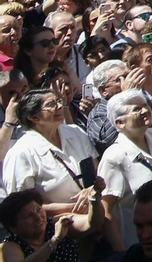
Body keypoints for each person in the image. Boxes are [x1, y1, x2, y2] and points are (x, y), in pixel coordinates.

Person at [98, 89, 152, 251]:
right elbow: (106, 211)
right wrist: (121, 251)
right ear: (119, 122)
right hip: (139, 245)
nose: (144, 111)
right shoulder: (114, 156)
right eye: (136, 109)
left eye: (145, 105)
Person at [0, 90, 99, 218]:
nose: (59, 106)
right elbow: (21, 205)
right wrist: (73, 208)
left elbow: (98, 170)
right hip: (54, 224)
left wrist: (92, 192)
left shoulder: (76, 132)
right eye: (51, 104)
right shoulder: (21, 153)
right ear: (34, 117)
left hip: (94, 208)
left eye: (58, 101)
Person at [0, 188, 97, 262]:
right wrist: (54, 240)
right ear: (13, 227)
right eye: (28, 216)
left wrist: (94, 199)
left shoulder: (55, 224)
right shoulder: (11, 245)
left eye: (39, 210)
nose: (38, 218)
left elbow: (93, 223)